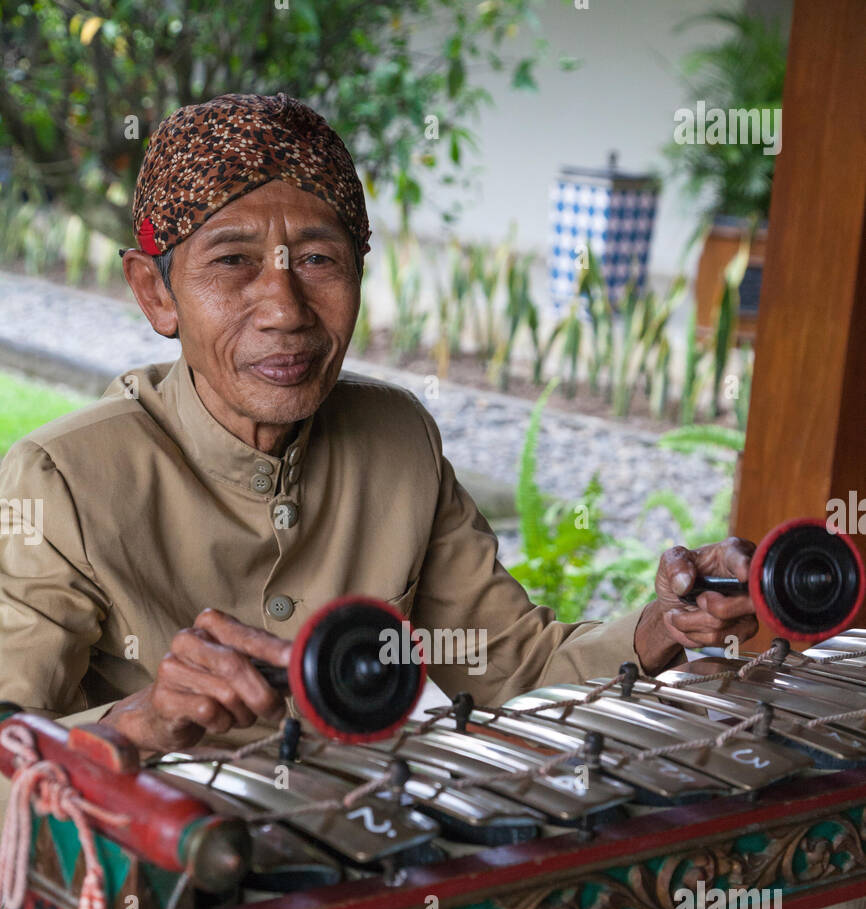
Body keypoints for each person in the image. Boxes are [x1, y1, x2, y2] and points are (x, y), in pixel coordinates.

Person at [0, 93, 757, 756]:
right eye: (232, 261)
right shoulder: (63, 480)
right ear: (154, 293)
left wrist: (666, 624)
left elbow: (513, 668)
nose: (286, 310)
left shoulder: (398, 441)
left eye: (320, 260)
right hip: (161, 884)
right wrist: (134, 725)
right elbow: (10, 750)